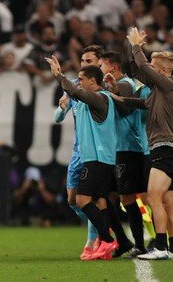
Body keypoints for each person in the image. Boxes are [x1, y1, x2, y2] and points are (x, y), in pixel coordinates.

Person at [114, 27, 173, 260]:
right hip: (167, 149)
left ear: (162, 70)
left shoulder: (167, 84)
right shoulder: (158, 92)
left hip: (164, 148)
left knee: (153, 197)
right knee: (167, 201)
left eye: (154, 66)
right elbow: (140, 100)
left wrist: (136, 46)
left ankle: (161, 247)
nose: (149, 69)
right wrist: (116, 97)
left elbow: (142, 67)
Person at [47, 56, 118, 260]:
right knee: (89, 200)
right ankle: (105, 242)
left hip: (98, 158)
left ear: (93, 81)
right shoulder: (88, 98)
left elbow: (77, 92)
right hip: (92, 158)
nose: (78, 82)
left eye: (81, 79)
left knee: (83, 199)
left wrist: (58, 75)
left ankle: (105, 239)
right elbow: (71, 99)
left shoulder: (99, 98)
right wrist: (64, 104)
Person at [53, 45, 104, 259]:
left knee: (92, 198)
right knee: (73, 200)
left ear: (99, 63)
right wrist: (62, 106)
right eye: (83, 61)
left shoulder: (104, 89)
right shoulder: (74, 86)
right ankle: (102, 227)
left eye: (89, 61)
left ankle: (93, 241)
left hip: (98, 150)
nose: (84, 65)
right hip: (78, 150)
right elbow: (57, 118)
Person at [101, 51, 148, 257]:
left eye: (102, 65)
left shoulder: (127, 84)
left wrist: (109, 93)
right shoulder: (116, 85)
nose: (101, 70)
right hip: (118, 149)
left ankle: (141, 244)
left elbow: (126, 109)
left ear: (113, 66)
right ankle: (123, 240)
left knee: (130, 197)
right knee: (109, 196)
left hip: (129, 148)